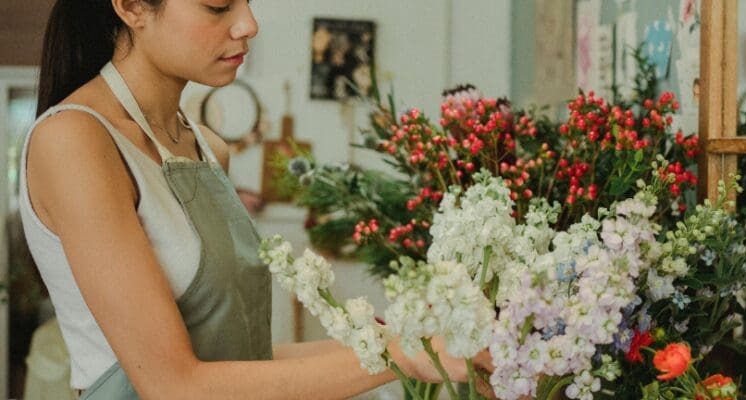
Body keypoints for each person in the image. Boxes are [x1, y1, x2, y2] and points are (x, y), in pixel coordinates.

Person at [20, 0, 493, 399]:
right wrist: (405, 356)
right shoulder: (75, 140)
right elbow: (174, 386)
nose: (248, 24)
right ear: (131, 7)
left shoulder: (205, 148)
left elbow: (244, 359)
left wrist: (420, 341)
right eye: (218, 5)